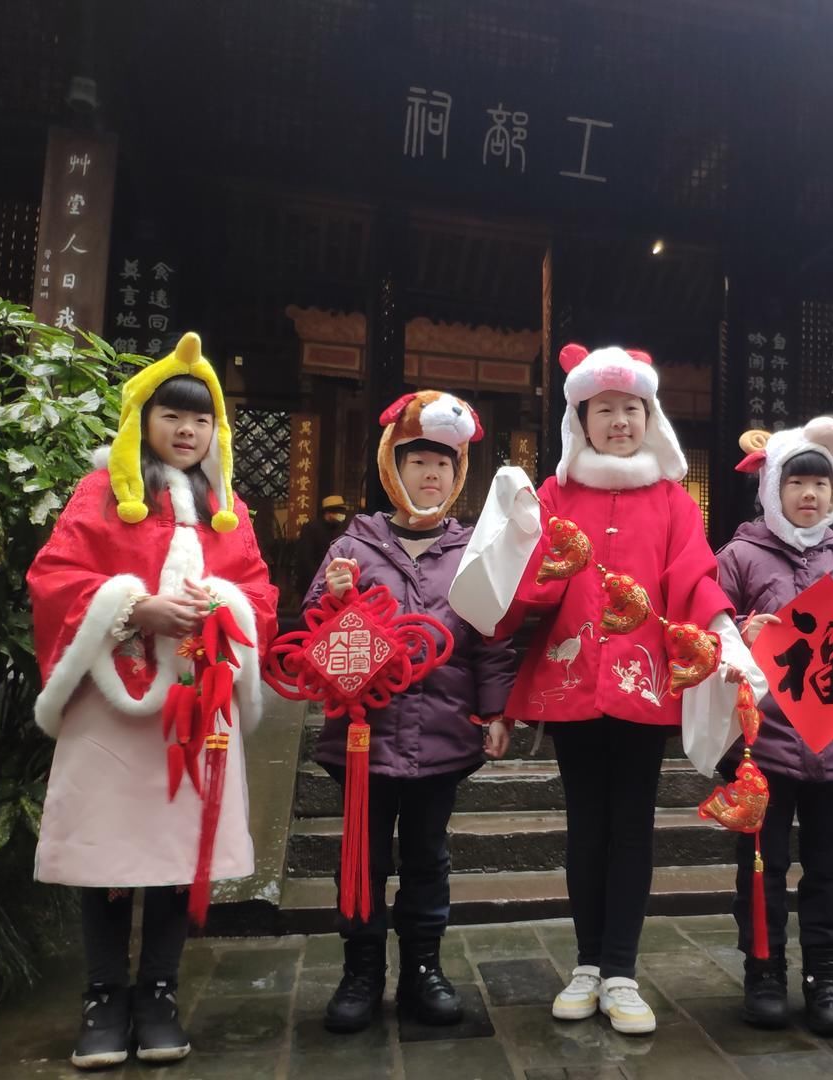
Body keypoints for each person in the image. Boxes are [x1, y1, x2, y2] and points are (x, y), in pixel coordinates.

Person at [452, 344, 764, 1036]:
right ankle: (587, 963)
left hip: (646, 684)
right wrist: (522, 541)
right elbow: (525, 587)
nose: (618, 421)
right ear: (581, 419)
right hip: (570, 682)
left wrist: (726, 636)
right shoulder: (556, 493)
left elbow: (693, 577)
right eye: (604, 411)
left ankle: (620, 968)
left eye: (630, 409)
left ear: (648, 416)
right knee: (586, 825)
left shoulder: (674, 500)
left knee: (633, 826)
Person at [27, 333, 277, 1070]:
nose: (186, 431)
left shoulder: (229, 509)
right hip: (113, 705)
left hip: (195, 706)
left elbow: (259, 592)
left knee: (176, 854)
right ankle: (104, 997)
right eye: (172, 415)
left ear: (215, 432)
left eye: (200, 421)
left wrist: (220, 605)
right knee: (107, 852)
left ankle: (160, 992)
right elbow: (54, 577)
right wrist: (135, 607)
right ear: (144, 420)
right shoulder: (97, 493)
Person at [302, 390, 516, 1034]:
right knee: (362, 858)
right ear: (391, 468)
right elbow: (312, 645)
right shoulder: (354, 545)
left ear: (460, 476)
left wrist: (496, 711)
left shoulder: (475, 550)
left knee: (428, 857)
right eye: (418, 460)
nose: (432, 474)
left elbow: (492, 640)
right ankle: (360, 973)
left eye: (445, 465)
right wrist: (334, 603)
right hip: (363, 740)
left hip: (443, 737)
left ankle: (424, 970)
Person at [715, 416, 833, 1036]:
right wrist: (741, 633)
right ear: (772, 488)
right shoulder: (738, 556)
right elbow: (707, 634)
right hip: (762, 746)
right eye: (797, 483)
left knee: (830, 867)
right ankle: (763, 970)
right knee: (761, 862)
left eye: (821, 483)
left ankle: (826, 975)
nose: (809, 494)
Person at [295, 494, 350, 597]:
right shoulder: (311, 528)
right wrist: (320, 580)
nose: (340, 516)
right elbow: (306, 558)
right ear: (328, 513)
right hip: (312, 582)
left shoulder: (343, 528)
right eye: (337, 512)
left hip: (337, 582)